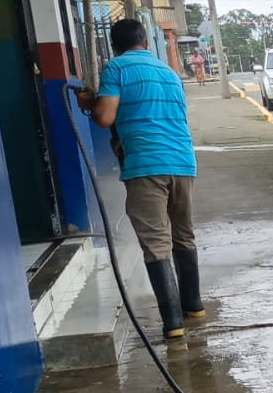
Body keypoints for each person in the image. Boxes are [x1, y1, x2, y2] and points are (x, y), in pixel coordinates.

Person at [76, 18, 205, 339]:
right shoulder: (169, 73)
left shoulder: (116, 68)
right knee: (183, 235)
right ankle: (193, 306)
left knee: (156, 243)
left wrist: (90, 103)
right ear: (146, 43)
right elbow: (163, 115)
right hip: (183, 162)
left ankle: (173, 324)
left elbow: (105, 116)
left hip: (147, 165)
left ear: (114, 46)